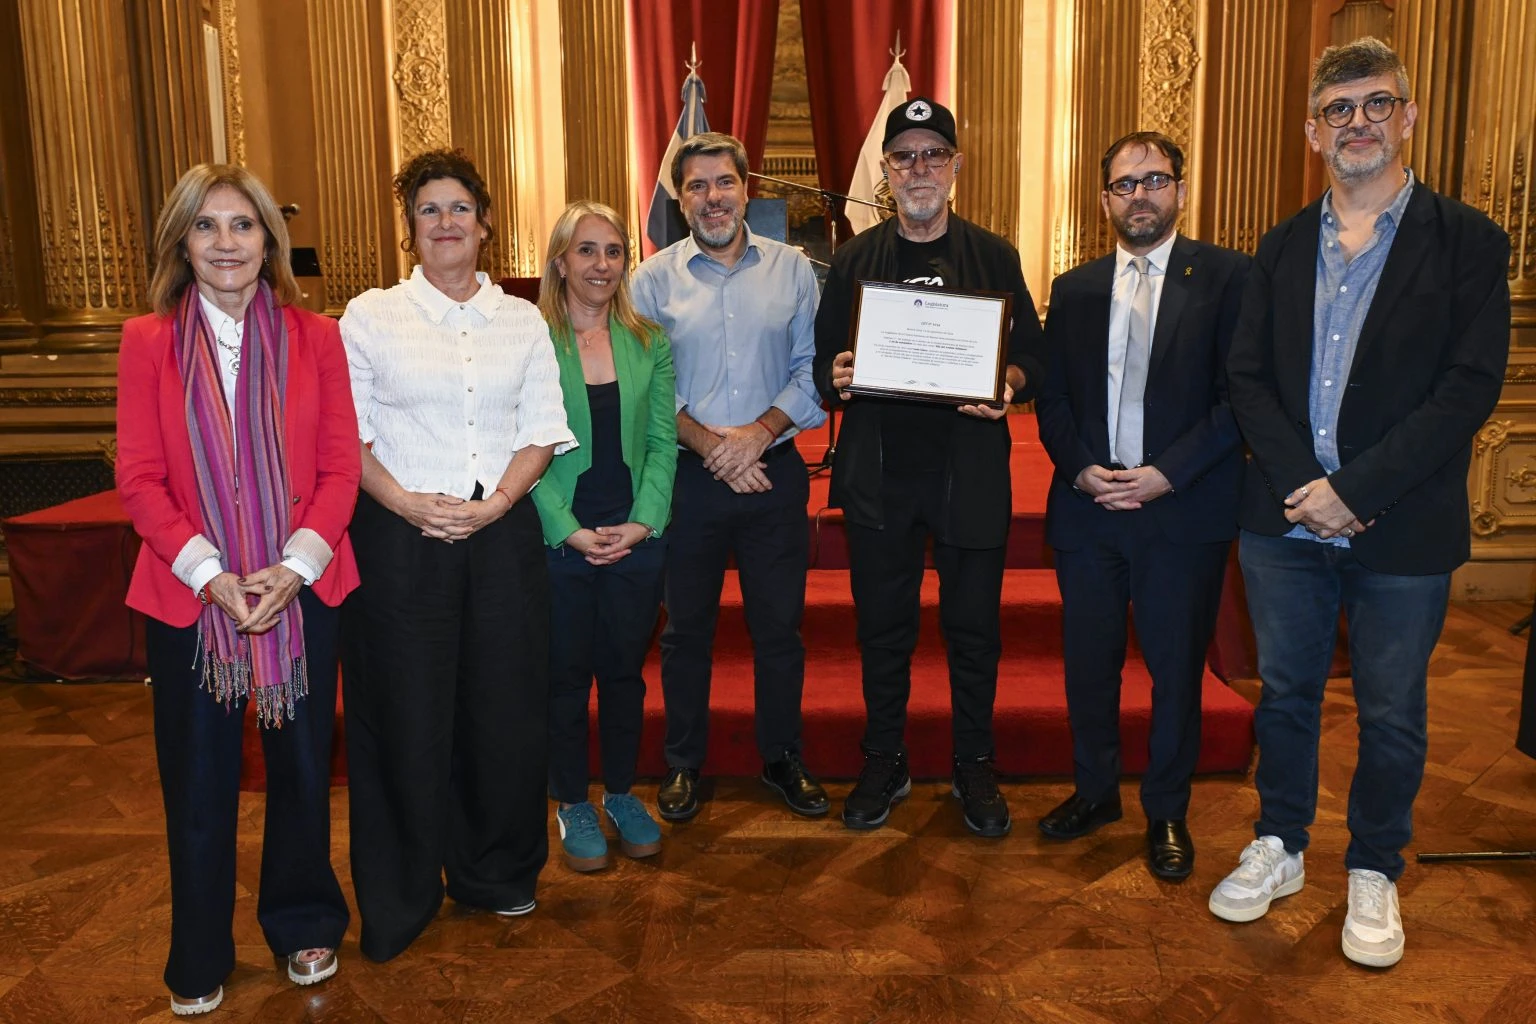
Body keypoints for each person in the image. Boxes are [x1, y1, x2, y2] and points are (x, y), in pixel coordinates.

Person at [1213, 37, 1510, 968]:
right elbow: (1248, 377)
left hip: (1403, 524)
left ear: (1408, 117)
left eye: (1377, 104)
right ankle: (1283, 843)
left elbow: (1469, 387)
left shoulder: (1467, 240)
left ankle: (1375, 865)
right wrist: (1313, 490)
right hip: (1287, 517)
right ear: (1313, 131)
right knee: (1289, 694)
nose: (1358, 124)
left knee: (1390, 709)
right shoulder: (1282, 243)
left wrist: (1356, 492)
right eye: (1339, 110)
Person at [116, 164, 358, 1015]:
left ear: (269, 241)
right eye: (208, 226)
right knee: (199, 780)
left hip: (302, 589)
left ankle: (303, 923)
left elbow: (340, 468)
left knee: (299, 769)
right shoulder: (146, 340)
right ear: (182, 242)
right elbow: (140, 477)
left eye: (243, 226)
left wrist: (293, 567)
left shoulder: (316, 337)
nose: (227, 243)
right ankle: (199, 952)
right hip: (192, 599)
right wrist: (212, 576)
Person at [339, 149, 575, 961]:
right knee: (403, 716)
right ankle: (402, 895)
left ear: (484, 223)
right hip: (401, 539)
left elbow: (542, 428)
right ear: (410, 227)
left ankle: (495, 872)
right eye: (429, 210)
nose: (446, 224)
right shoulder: (370, 316)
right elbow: (348, 438)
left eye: (459, 209)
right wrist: (408, 503)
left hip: (500, 536)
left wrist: (497, 505)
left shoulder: (521, 321)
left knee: (503, 711)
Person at [814, 97, 1047, 838]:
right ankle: (884, 756)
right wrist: (840, 373)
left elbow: (1032, 358)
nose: (920, 169)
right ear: (885, 171)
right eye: (905, 156)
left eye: (933, 155)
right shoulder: (854, 260)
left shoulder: (995, 256)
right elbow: (823, 365)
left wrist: (1007, 384)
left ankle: (973, 762)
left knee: (974, 632)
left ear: (955, 166)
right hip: (881, 480)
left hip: (968, 478)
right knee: (883, 632)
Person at [1034, 131, 1249, 879]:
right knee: (1088, 665)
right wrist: (1082, 468)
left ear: (1180, 191)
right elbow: (1052, 398)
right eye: (1125, 184)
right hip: (1090, 509)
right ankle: (1094, 791)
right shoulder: (1076, 287)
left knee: (1176, 669)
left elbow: (1238, 401)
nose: (1141, 195)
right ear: (1105, 201)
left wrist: (1166, 473)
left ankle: (1166, 810)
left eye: (1155, 180)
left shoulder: (1228, 278)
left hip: (1178, 511)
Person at [632, 132, 829, 822]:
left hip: (774, 474)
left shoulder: (795, 269)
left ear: (747, 189)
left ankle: (783, 757)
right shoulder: (651, 279)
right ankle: (684, 762)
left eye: (724, 183)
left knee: (780, 631)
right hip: (688, 478)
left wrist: (758, 436)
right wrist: (716, 448)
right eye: (696, 186)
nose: (711, 197)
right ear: (679, 197)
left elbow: (811, 372)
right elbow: (648, 389)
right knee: (686, 633)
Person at [532, 201, 678, 871]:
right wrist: (567, 529)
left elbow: (661, 441)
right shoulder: (530, 341)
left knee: (623, 675)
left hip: (634, 537)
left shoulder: (650, 341)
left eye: (613, 251)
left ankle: (620, 793)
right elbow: (516, 446)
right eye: (586, 250)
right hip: (559, 539)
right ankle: (572, 803)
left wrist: (644, 523)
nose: (601, 265)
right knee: (563, 678)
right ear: (561, 261)